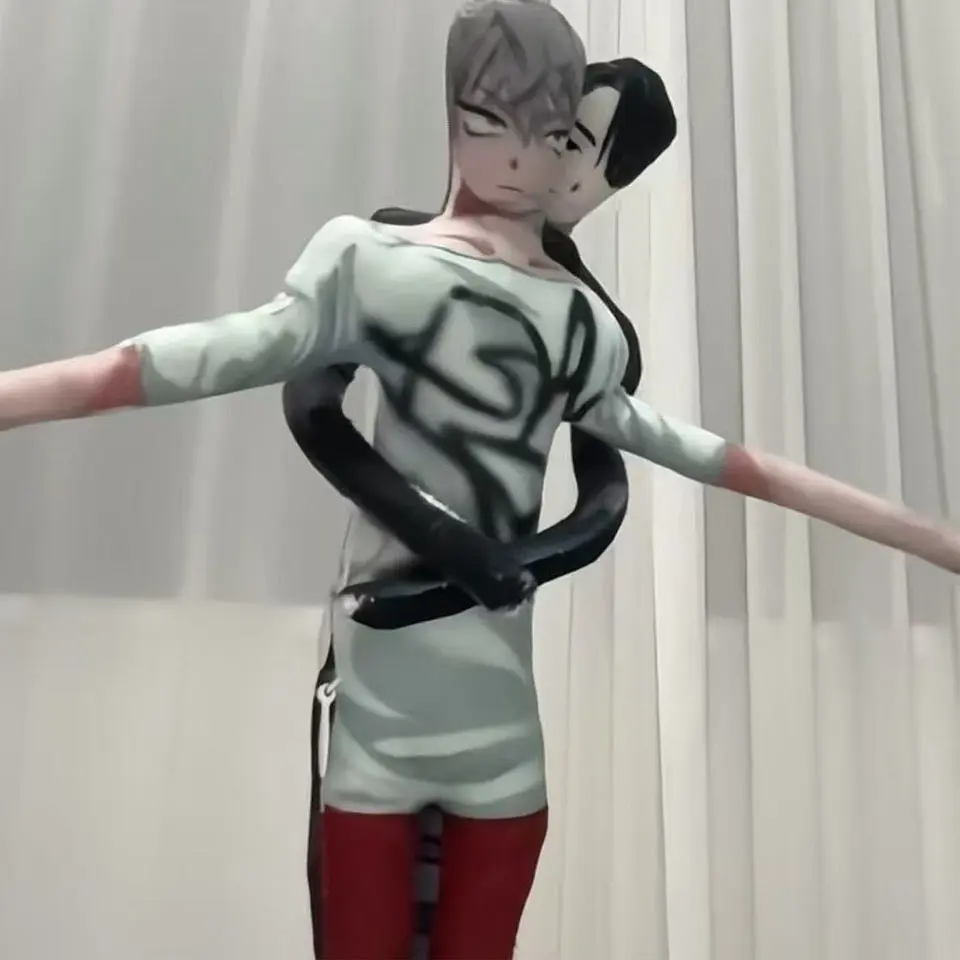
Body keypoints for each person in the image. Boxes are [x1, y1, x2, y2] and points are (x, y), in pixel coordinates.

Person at [0, 2, 958, 958]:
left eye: (546, 130)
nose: (517, 154)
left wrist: (923, 536)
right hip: (377, 717)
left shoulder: (584, 323)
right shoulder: (368, 259)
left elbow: (703, 454)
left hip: (500, 734)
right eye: (488, 118)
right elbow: (197, 358)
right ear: (453, 109)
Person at [284, 55, 679, 959]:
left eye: (605, 166)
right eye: (569, 136)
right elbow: (312, 406)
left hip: (488, 691)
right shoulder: (388, 248)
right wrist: (445, 543)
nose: (571, 172)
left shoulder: (595, 326)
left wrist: (487, 572)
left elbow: (605, 498)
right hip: (377, 668)